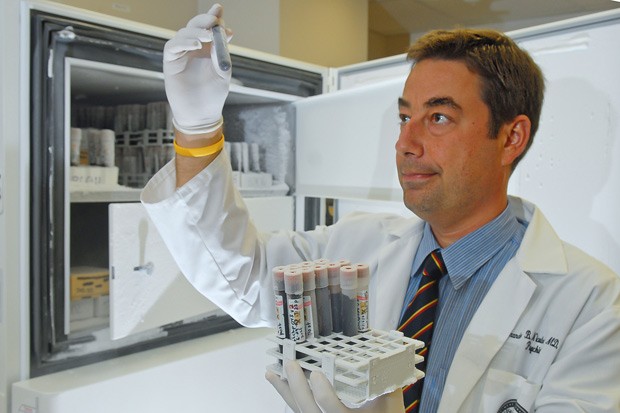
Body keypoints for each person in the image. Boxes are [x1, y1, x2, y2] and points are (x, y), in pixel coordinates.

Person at [141, 4, 620, 413]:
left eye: (438, 117)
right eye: (404, 116)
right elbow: (241, 276)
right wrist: (198, 130)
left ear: (510, 137)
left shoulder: (591, 304)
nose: (405, 143)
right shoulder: (356, 244)